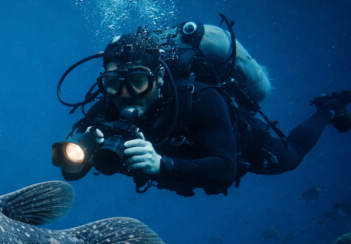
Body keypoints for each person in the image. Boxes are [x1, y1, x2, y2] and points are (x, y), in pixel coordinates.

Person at [55, 28, 351, 196]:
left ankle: (327, 110)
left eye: (137, 81)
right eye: (112, 82)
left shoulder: (201, 99)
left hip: (238, 143)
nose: (124, 94)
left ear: (158, 78)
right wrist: (85, 146)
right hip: (181, 159)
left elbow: (225, 170)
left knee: (290, 158)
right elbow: (71, 169)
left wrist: (163, 165)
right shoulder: (107, 107)